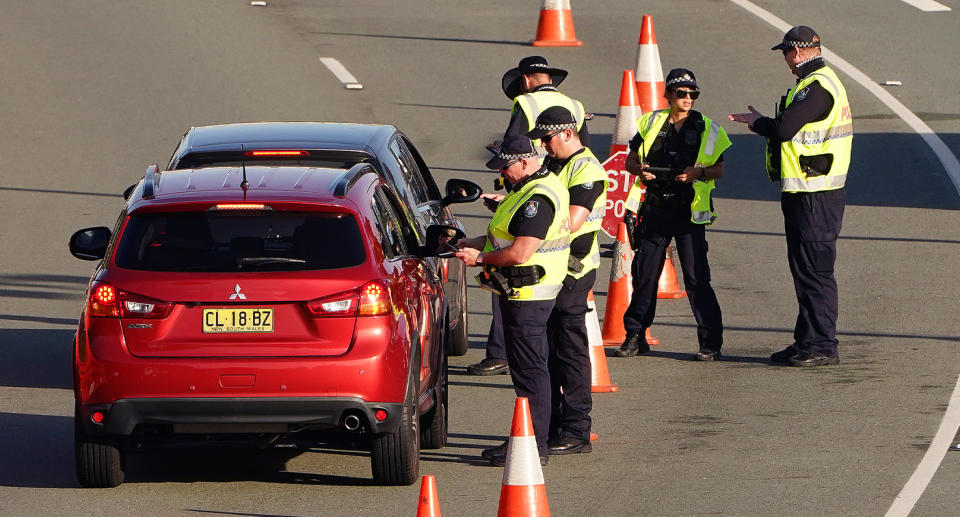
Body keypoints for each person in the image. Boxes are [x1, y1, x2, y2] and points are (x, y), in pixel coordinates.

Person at [729, 26, 852, 367]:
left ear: (796, 53)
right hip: (806, 189)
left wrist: (756, 122)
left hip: (817, 193)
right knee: (804, 270)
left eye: (785, 53)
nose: (784, 59)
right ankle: (807, 340)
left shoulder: (817, 87)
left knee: (815, 271)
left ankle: (823, 345)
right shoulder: (813, 84)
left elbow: (784, 130)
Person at [466, 55, 589, 376]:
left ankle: (498, 352)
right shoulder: (574, 105)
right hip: (558, 196)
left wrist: (511, 191)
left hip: (531, 189)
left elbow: (513, 148)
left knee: (503, 266)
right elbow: (583, 147)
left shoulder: (524, 102)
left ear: (524, 80)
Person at [455, 135, 570, 466]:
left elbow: (520, 252)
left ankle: (532, 446)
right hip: (526, 293)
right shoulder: (528, 189)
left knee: (530, 373)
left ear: (524, 161)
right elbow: (502, 237)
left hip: (528, 295)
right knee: (533, 370)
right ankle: (532, 441)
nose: (503, 173)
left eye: (506, 166)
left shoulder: (537, 199)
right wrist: (468, 242)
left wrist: (480, 259)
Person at [616, 68, 730, 361]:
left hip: (689, 210)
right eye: (682, 93)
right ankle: (635, 335)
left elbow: (719, 169)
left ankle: (710, 342)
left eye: (693, 94)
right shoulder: (651, 122)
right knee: (644, 274)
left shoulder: (708, 128)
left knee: (696, 277)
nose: (688, 98)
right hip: (654, 206)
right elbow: (630, 161)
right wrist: (640, 170)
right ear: (668, 95)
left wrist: (697, 173)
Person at [525, 107, 606, 455]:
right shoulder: (557, 165)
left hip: (574, 271)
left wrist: (528, 223)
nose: (543, 145)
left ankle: (576, 428)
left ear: (568, 133)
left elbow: (572, 221)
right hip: (554, 270)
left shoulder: (587, 170)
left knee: (570, 352)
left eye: (547, 138)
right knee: (552, 351)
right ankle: (558, 424)